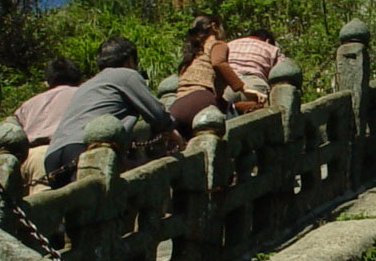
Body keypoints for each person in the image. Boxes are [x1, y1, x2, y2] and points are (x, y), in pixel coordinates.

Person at [42, 36, 177, 185]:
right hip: (85, 150)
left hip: (52, 157)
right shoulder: (126, 75)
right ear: (129, 60)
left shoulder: (87, 84)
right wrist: (173, 131)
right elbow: (157, 115)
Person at [169, 15, 255, 132]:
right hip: (201, 98)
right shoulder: (217, 44)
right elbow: (219, 63)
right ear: (214, 26)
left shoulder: (192, 53)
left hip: (179, 104)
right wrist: (244, 88)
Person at [13, 57, 82, 184]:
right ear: (79, 79)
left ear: (46, 82)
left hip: (26, 157)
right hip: (53, 154)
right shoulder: (82, 94)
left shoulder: (28, 104)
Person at [225, 28, 285, 107]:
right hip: (255, 85)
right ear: (268, 40)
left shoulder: (229, 44)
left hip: (229, 85)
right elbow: (282, 71)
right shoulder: (272, 48)